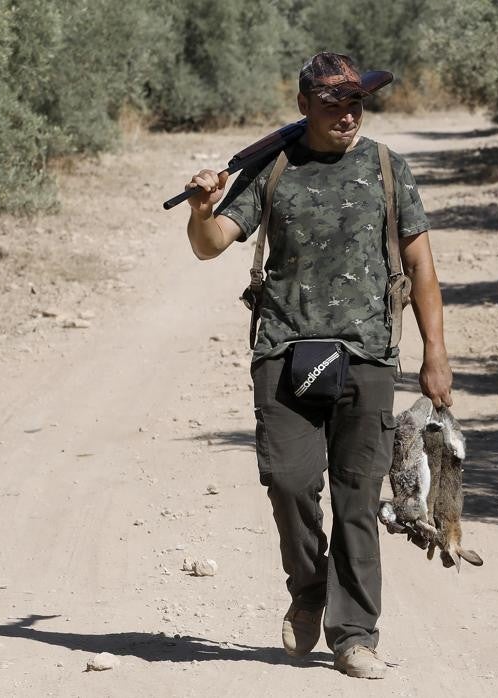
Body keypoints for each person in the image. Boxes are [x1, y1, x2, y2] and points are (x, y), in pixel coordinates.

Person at [182, 52, 452, 680]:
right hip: (284, 350)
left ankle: (355, 634)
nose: (348, 118)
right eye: (334, 108)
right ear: (304, 106)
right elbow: (212, 244)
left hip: (368, 354)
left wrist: (435, 353)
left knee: (357, 500)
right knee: (289, 481)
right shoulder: (272, 168)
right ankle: (308, 591)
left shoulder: (388, 168)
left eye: (356, 105)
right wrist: (201, 209)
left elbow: (422, 268)